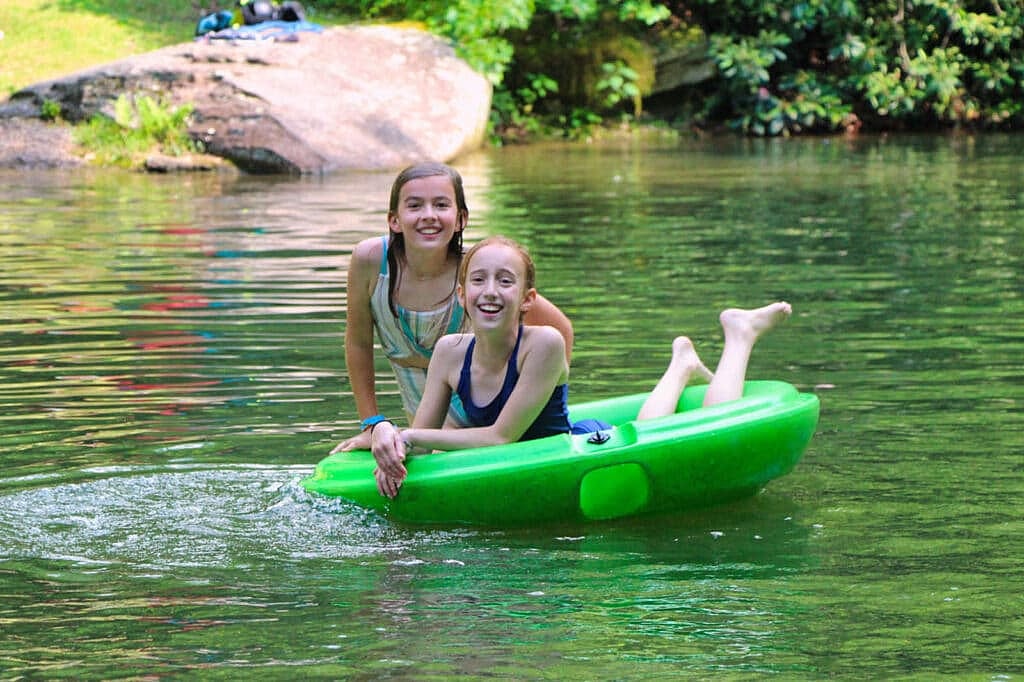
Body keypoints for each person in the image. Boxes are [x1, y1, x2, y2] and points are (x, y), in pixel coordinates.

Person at [368, 235, 792, 498]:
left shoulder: (544, 344)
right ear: (462, 295)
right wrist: (385, 438)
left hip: (575, 449)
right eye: (478, 280)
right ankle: (681, 364)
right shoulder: (449, 351)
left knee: (680, 427)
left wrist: (404, 433)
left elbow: (501, 439)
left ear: (528, 300)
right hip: (524, 466)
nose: (490, 291)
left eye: (505, 280)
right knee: (653, 419)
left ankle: (739, 335)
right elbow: (423, 439)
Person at [332, 163, 574, 453]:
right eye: (415, 205)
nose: (429, 215)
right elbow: (358, 342)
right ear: (394, 220)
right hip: (428, 410)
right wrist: (372, 424)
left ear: (461, 219)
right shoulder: (371, 261)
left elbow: (558, 331)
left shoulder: (479, 273)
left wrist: (542, 385)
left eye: (441, 204)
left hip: (489, 415)